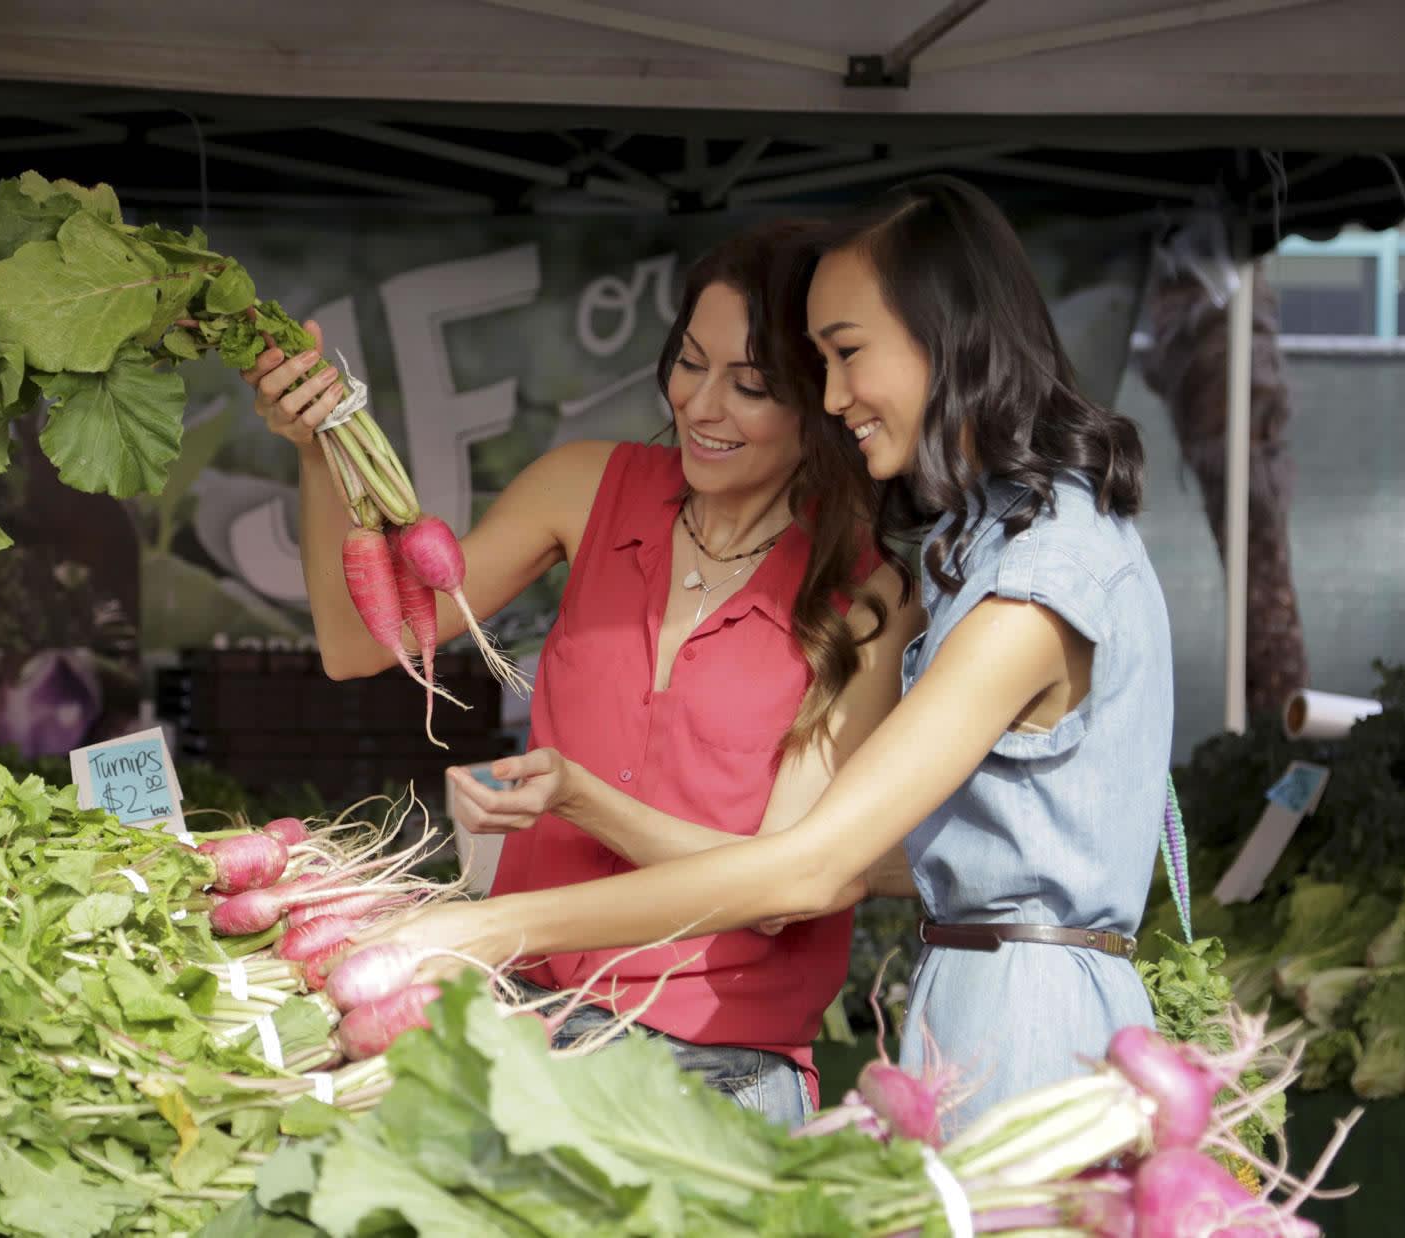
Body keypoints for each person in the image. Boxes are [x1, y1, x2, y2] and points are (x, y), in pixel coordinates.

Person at [371, 175, 1174, 1134]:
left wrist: (489, 924)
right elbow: (884, 860)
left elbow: (808, 874)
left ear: (942, 337)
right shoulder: (999, 543)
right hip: (978, 1000)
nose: (834, 398)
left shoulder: (1037, 580)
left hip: (1027, 1020)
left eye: (842, 357)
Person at [239, 220, 919, 1125]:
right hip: (519, 1017)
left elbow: (778, 890)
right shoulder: (586, 486)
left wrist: (577, 796)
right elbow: (363, 643)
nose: (702, 407)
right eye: (690, 363)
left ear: (821, 401)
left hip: (715, 1068)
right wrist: (320, 444)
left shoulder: (867, 589)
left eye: (751, 386)